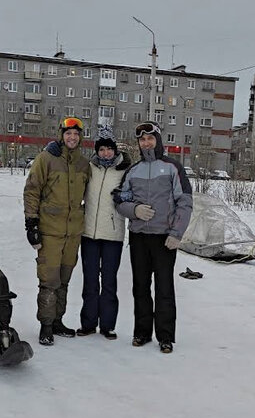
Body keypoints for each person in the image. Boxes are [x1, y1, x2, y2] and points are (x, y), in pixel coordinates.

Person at [114, 121, 192, 353]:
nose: (146, 142)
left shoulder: (172, 168)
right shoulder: (133, 170)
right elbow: (119, 200)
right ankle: (142, 332)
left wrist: (177, 233)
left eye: (150, 138)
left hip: (164, 238)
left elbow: (185, 202)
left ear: (158, 140)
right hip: (139, 237)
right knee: (140, 286)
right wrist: (134, 210)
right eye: (142, 139)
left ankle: (165, 336)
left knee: (164, 287)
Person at [23, 116, 91, 346]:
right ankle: (46, 325)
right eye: (68, 133)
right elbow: (32, 190)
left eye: (76, 134)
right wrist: (31, 223)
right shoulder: (46, 159)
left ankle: (58, 321)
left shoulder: (83, 164)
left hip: (72, 234)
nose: (72, 137)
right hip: (50, 231)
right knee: (48, 280)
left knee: (64, 280)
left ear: (80, 137)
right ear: (61, 135)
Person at [77, 126, 131, 340]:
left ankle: (107, 325)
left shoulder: (124, 170)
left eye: (109, 149)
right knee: (90, 280)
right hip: (88, 233)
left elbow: (132, 193)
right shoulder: (89, 168)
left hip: (113, 235)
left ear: (115, 150)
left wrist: (124, 196)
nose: (105, 153)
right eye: (101, 149)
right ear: (96, 151)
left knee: (108, 281)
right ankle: (88, 323)